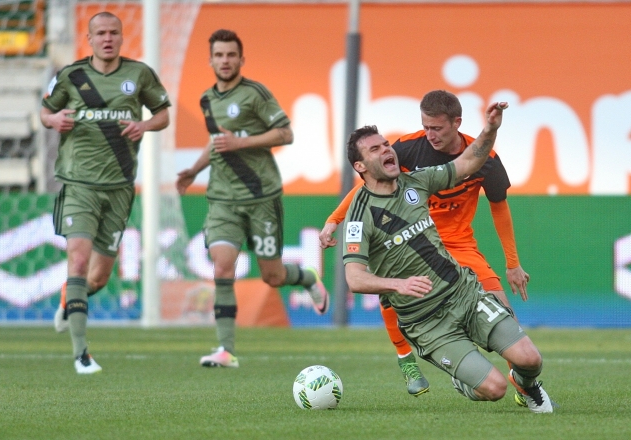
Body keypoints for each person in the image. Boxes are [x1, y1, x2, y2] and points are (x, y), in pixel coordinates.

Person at [341, 103, 554, 413]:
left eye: (387, 144)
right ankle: (463, 379)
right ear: (360, 166)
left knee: (530, 359)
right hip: (426, 321)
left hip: (463, 293)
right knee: (493, 389)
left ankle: (527, 384)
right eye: (375, 149)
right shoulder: (360, 217)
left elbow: (468, 162)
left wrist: (491, 129)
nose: (387, 150)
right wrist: (397, 285)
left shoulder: (416, 182)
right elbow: (354, 278)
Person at [175, 29, 329, 368]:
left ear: (241, 60)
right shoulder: (206, 99)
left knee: (271, 276)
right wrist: (193, 170)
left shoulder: (255, 94)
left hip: (261, 196)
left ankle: (307, 278)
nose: (225, 61)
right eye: (219, 55)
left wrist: (241, 143)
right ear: (211, 60)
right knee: (223, 267)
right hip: (222, 198)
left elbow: (286, 133)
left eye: (231, 55)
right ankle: (226, 349)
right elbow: (218, 141)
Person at [41, 11, 171, 374]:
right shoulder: (71, 75)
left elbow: (163, 114)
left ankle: (70, 297)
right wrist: (54, 120)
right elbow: (44, 112)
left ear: (121, 37)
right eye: (100, 33)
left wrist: (144, 124)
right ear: (90, 37)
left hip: (119, 187)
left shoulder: (139, 74)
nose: (108, 38)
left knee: (97, 278)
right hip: (79, 183)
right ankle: (82, 354)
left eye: (114, 32)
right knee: (78, 263)